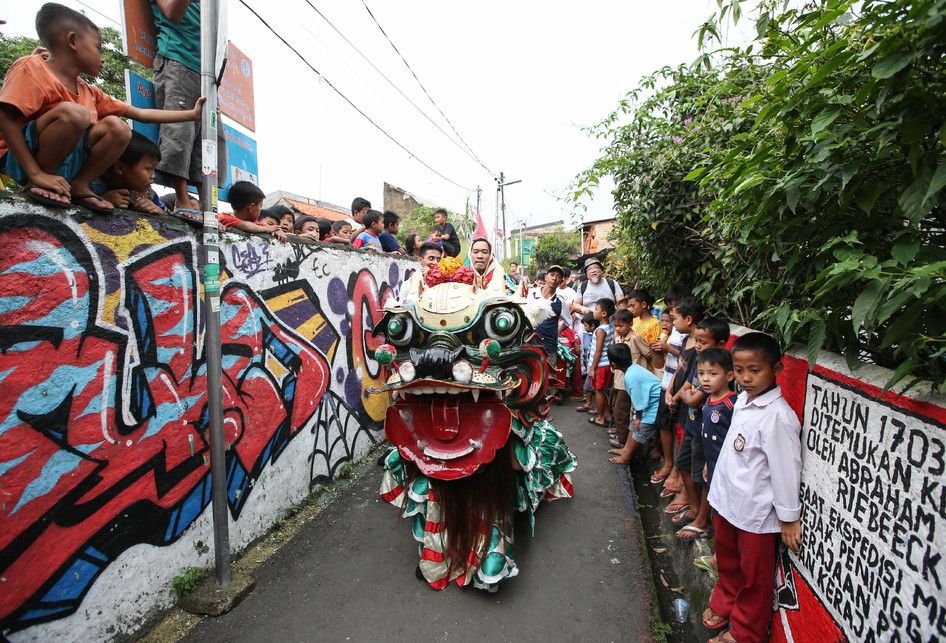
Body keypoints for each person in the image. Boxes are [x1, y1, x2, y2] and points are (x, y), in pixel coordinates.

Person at [0, 3, 205, 213]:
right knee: (74, 114)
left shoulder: (88, 90)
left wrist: (192, 114)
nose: (103, 57)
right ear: (72, 41)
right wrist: (35, 173)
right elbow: (4, 117)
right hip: (24, 161)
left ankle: (81, 184)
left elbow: (140, 114)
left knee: (119, 128)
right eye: (98, 47)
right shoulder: (33, 67)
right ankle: (41, 180)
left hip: (68, 166)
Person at [702, 332, 802, 643]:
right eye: (740, 370)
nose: (745, 378)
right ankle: (725, 603)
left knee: (754, 577)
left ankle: (745, 632)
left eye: (754, 370)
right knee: (728, 560)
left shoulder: (779, 417)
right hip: (727, 499)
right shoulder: (743, 400)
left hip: (756, 512)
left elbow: (786, 469)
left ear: (777, 369)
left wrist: (788, 517)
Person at [150, 0, 225, 214]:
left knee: (210, 139)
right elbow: (173, 13)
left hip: (208, 74)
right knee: (179, 131)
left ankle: (207, 204)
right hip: (178, 58)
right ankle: (182, 200)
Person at [671, 315, 728, 541]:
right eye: (696, 340)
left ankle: (702, 520)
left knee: (701, 476)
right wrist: (681, 394)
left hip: (706, 435)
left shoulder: (719, 368)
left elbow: (694, 398)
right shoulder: (699, 361)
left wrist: (687, 395)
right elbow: (688, 388)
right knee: (683, 466)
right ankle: (695, 510)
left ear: (721, 345)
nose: (698, 345)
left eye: (703, 342)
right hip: (692, 426)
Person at [661, 297, 705, 515]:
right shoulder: (687, 341)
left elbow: (692, 378)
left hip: (690, 404)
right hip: (679, 397)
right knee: (681, 437)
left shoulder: (700, 345)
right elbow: (679, 371)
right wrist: (670, 390)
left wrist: (677, 395)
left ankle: (684, 490)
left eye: (675, 318)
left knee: (688, 445)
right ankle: (677, 475)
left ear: (689, 319)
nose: (673, 322)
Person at [650, 286, 692, 485]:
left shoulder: (692, 336)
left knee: (680, 429)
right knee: (664, 424)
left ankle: (676, 470)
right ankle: (668, 464)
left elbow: (687, 359)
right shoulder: (673, 331)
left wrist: (668, 348)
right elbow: (661, 363)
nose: (671, 315)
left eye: (674, 310)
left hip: (683, 388)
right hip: (668, 383)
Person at [607, 343, 662, 465]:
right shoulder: (633, 369)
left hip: (656, 405)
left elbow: (640, 400)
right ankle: (626, 449)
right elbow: (637, 397)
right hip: (649, 402)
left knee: (639, 427)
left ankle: (627, 456)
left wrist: (638, 418)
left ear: (613, 364)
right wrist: (635, 413)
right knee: (634, 424)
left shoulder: (631, 376)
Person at [91, 130, 166, 215]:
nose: (153, 176)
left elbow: (167, 214)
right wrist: (102, 199)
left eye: (153, 169)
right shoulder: (91, 184)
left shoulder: (148, 194)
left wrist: (157, 210)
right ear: (119, 167)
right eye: (148, 169)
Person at [609, 309, 652, 448]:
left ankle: (622, 440)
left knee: (621, 410)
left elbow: (648, 354)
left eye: (620, 326)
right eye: (615, 326)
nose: (617, 329)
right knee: (617, 407)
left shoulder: (635, 338)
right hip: (619, 378)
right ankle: (621, 433)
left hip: (631, 381)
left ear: (630, 324)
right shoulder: (617, 337)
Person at [217, 181, 286, 240]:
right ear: (251, 207)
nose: (260, 210)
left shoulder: (255, 224)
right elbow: (247, 226)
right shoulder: (225, 217)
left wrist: (277, 229)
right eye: (260, 206)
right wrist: (266, 229)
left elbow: (264, 226)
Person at [527, 265, 565, 370]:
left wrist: (556, 331)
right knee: (529, 373)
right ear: (546, 277)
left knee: (548, 375)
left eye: (558, 276)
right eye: (552, 275)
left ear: (561, 281)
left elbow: (568, 321)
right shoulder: (531, 293)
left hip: (549, 345)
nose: (554, 278)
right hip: (528, 342)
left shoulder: (560, 301)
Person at [588, 297, 615, 427]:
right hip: (606, 364)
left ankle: (600, 417)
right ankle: (607, 415)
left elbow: (598, 351)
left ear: (604, 314)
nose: (594, 311)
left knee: (598, 391)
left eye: (596, 309)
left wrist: (592, 368)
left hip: (600, 365)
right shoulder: (610, 327)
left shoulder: (600, 330)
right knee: (603, 390)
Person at [575, 312, 598, 413]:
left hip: (594, 366)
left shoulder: (597, 335)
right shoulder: (591, 335)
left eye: (585, 325)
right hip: (590, 365)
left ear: (592, 326)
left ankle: (597, 407)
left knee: (597, 389)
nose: (584, 327)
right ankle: (588, 404)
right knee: (588, 387)